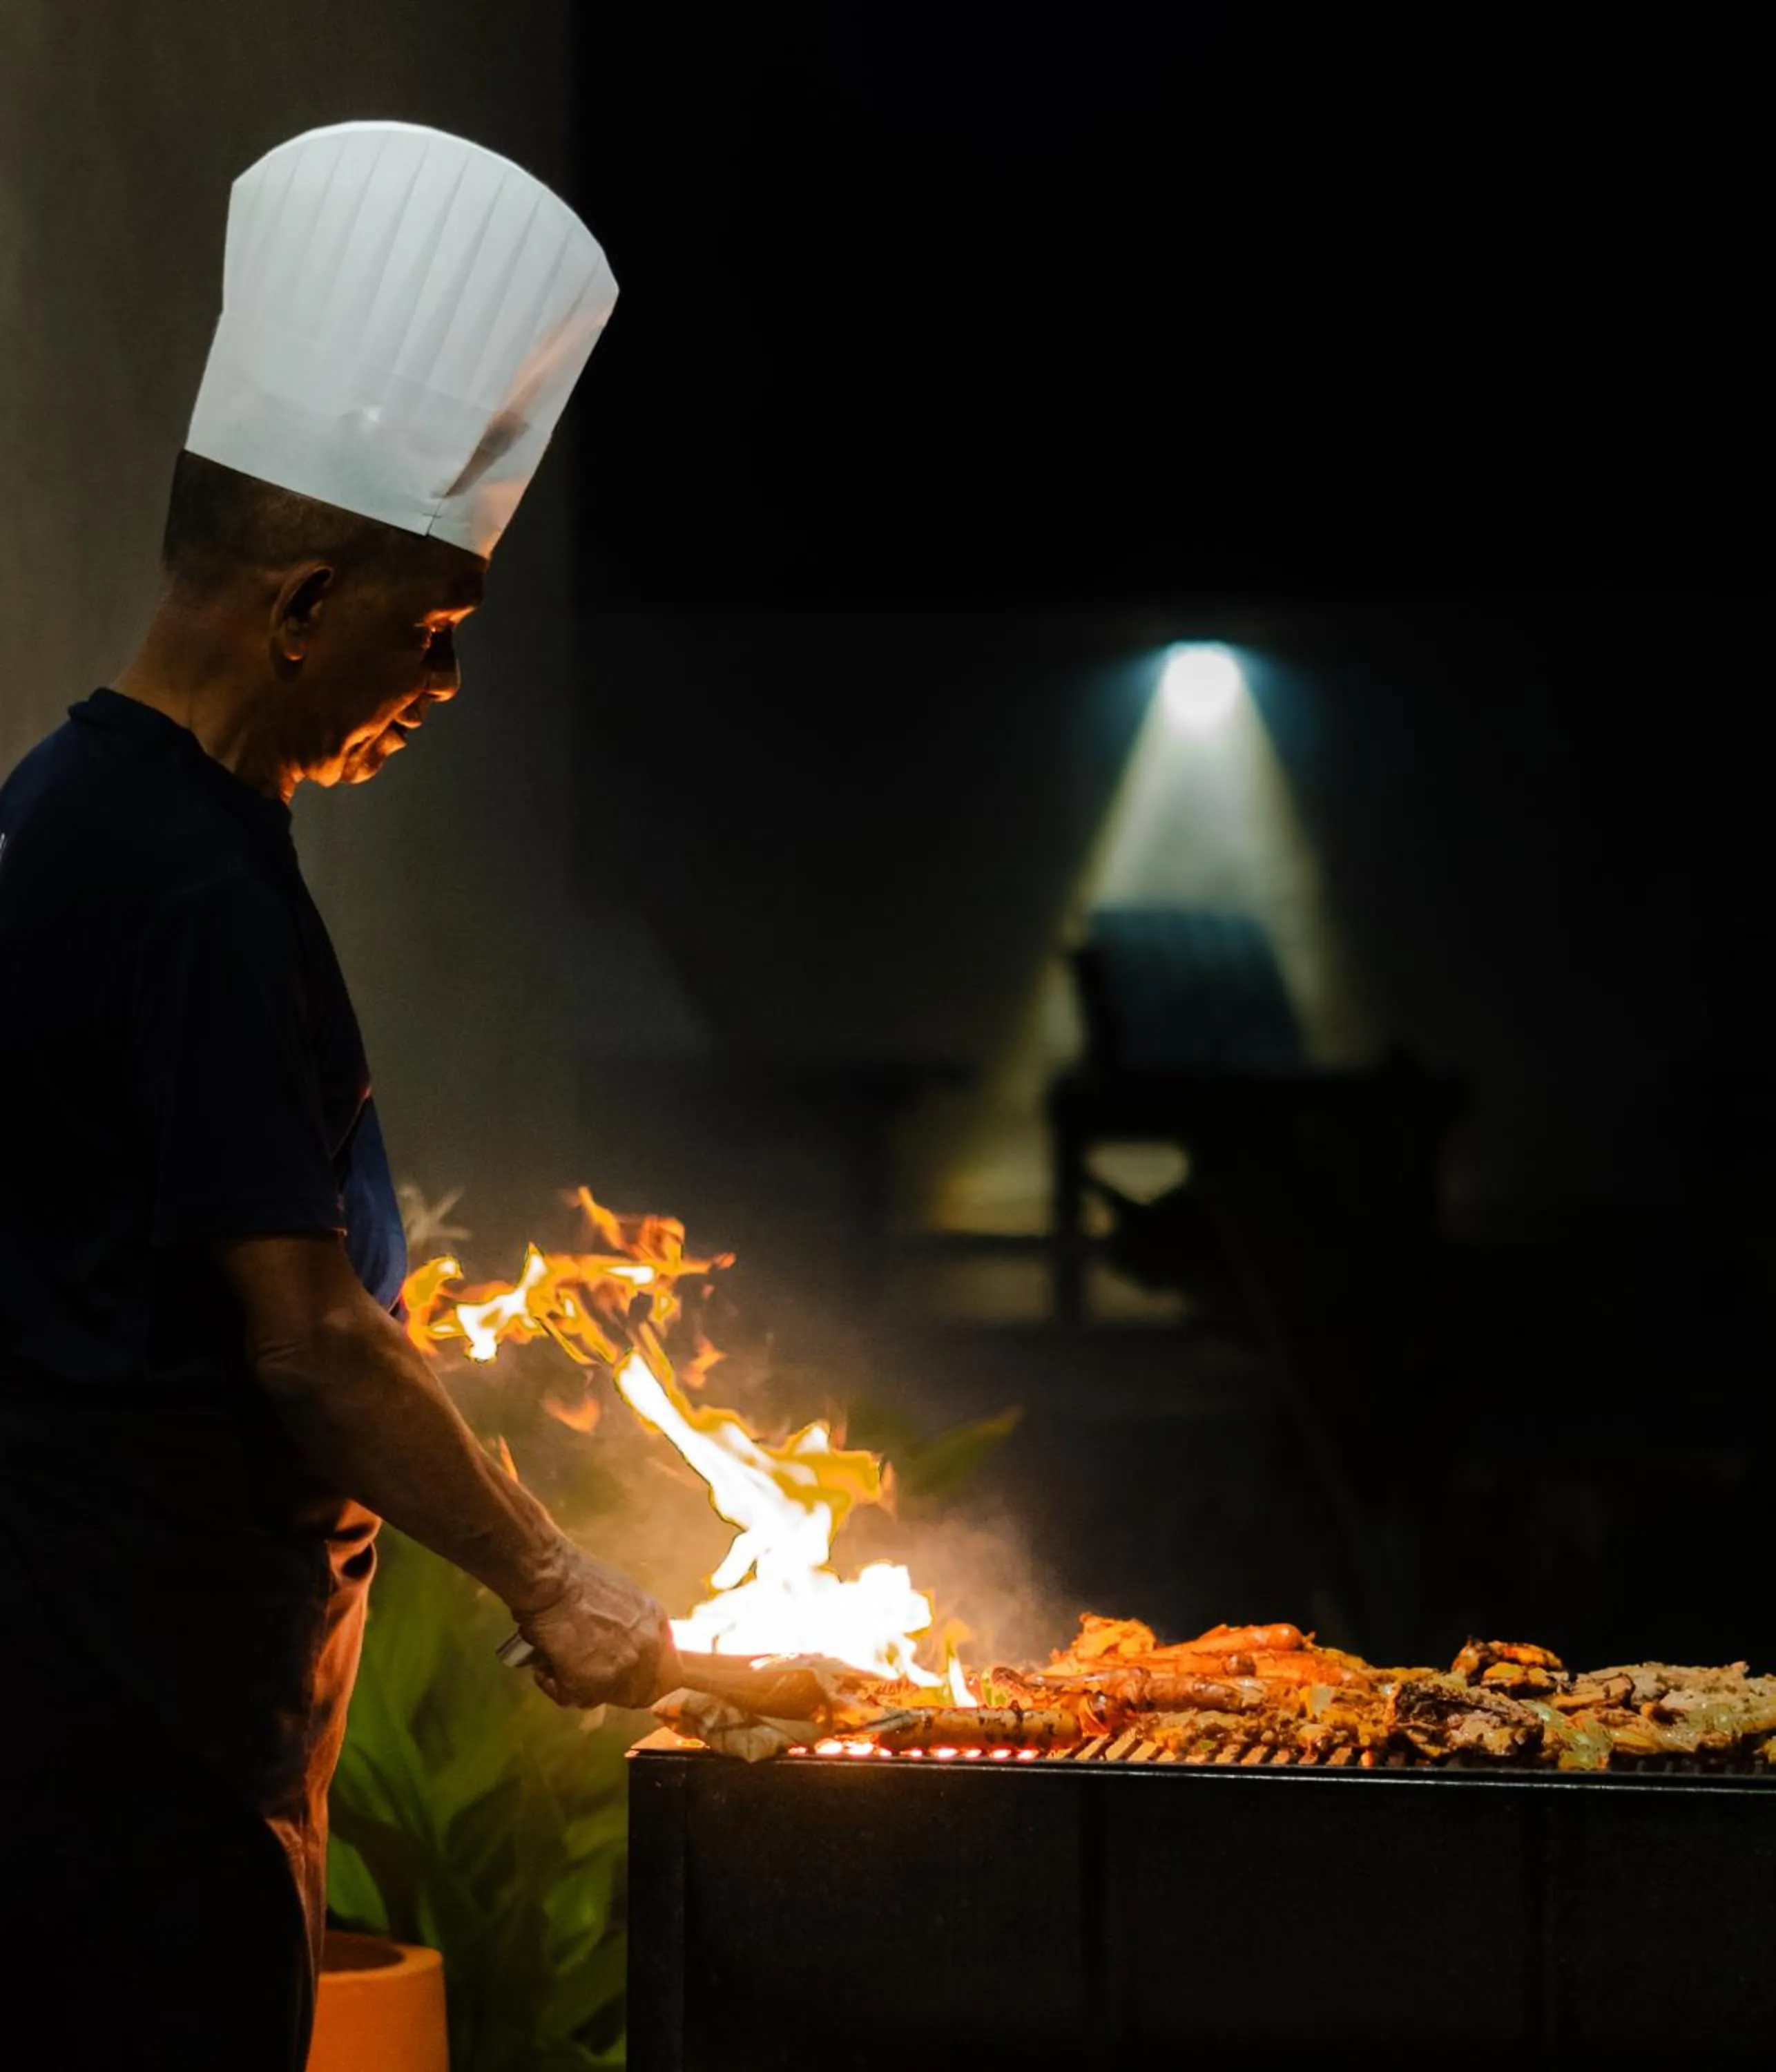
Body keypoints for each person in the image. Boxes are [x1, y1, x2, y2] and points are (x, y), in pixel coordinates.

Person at [0, 122, 677, 2069]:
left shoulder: (74, 808)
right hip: (137, 1714)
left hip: (88, 1678)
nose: (441, 685)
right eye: (429, 632)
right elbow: (296, 1342)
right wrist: (549, 1575)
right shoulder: (192, 879)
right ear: (302, 605)